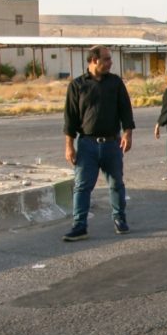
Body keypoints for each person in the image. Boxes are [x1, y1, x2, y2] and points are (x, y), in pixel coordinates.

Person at [61, 45, 135, 241]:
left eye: (110, 58)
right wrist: (69, 146)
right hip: (87, 145)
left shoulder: (115, 83)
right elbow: (70, 119)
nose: (110, 62)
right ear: (94, 60)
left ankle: (119, 219)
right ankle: (79, 226)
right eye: (107, 59)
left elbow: (125, 110)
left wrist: (127, 134)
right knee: (82, 186)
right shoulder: (77, 85)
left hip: (112, 144)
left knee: (116, 184)